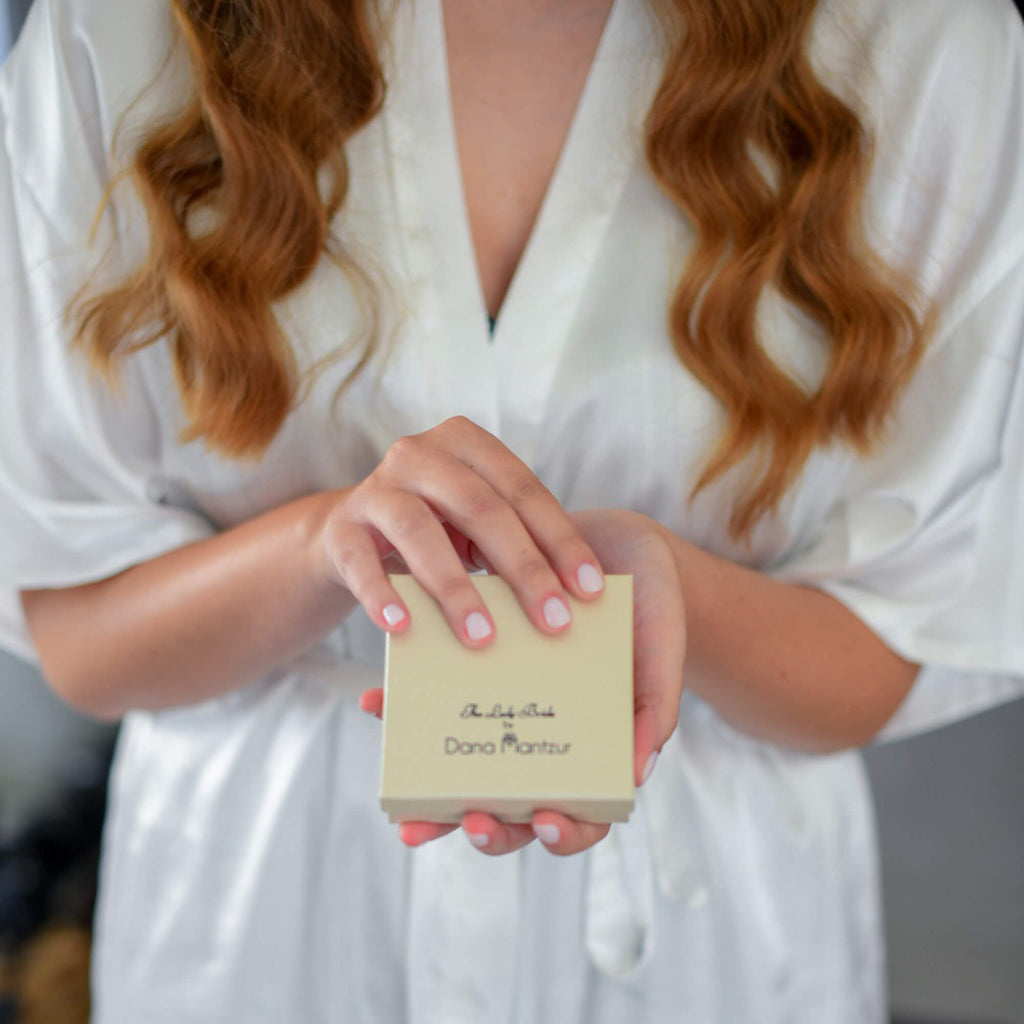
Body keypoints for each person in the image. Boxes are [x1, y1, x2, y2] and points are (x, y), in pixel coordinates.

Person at [1, 0, 1022, 1020]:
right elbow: (82, 637)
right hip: (258, 924)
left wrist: (676, 600)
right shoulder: (119, 33)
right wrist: (317, 548)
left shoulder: (924, 44)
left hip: (700, 940)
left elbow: (901, 631)